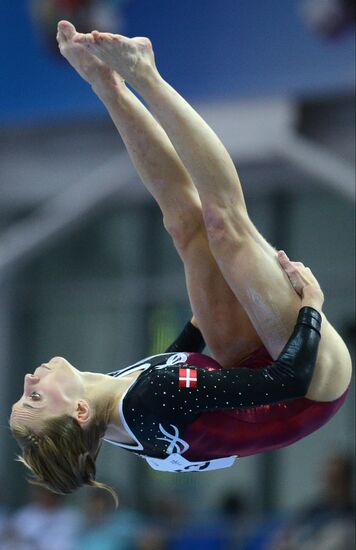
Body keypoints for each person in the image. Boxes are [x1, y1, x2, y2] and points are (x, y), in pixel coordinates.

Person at [9, 21, 352, 504]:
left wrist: (207, 300)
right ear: (80, 412)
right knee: (223, 229)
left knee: (186, 228)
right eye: (35, 398)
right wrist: (312, 307)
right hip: (309, 388)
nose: (28, 380)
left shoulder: (114, 405)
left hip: (244, 373)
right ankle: (146, 74)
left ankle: (106, 84)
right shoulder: (151, 400)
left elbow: (183, 359)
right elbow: (286, 380)